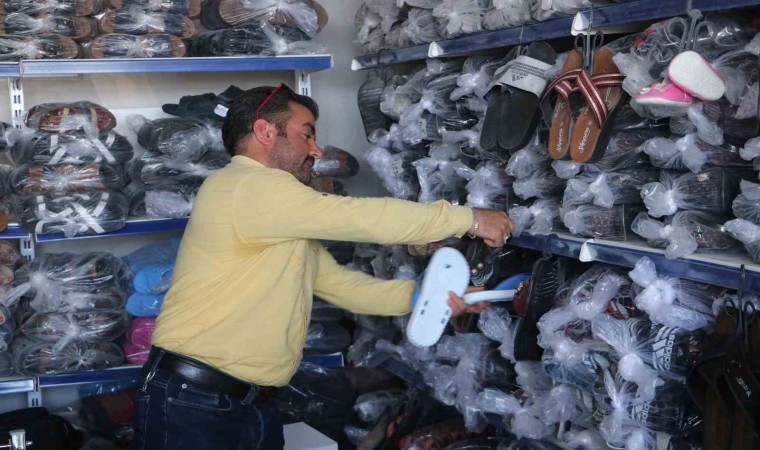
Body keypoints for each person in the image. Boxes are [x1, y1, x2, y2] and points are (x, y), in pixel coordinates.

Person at [133, 83, 513, 450]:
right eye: (306, 135)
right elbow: (361, 217)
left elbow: (341, 286)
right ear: (265, 132)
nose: (316, 150)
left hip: (246, 404)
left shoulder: (276, 215)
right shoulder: (245, 186)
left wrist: (428, 298)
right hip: (196, 402)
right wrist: (468, 219)